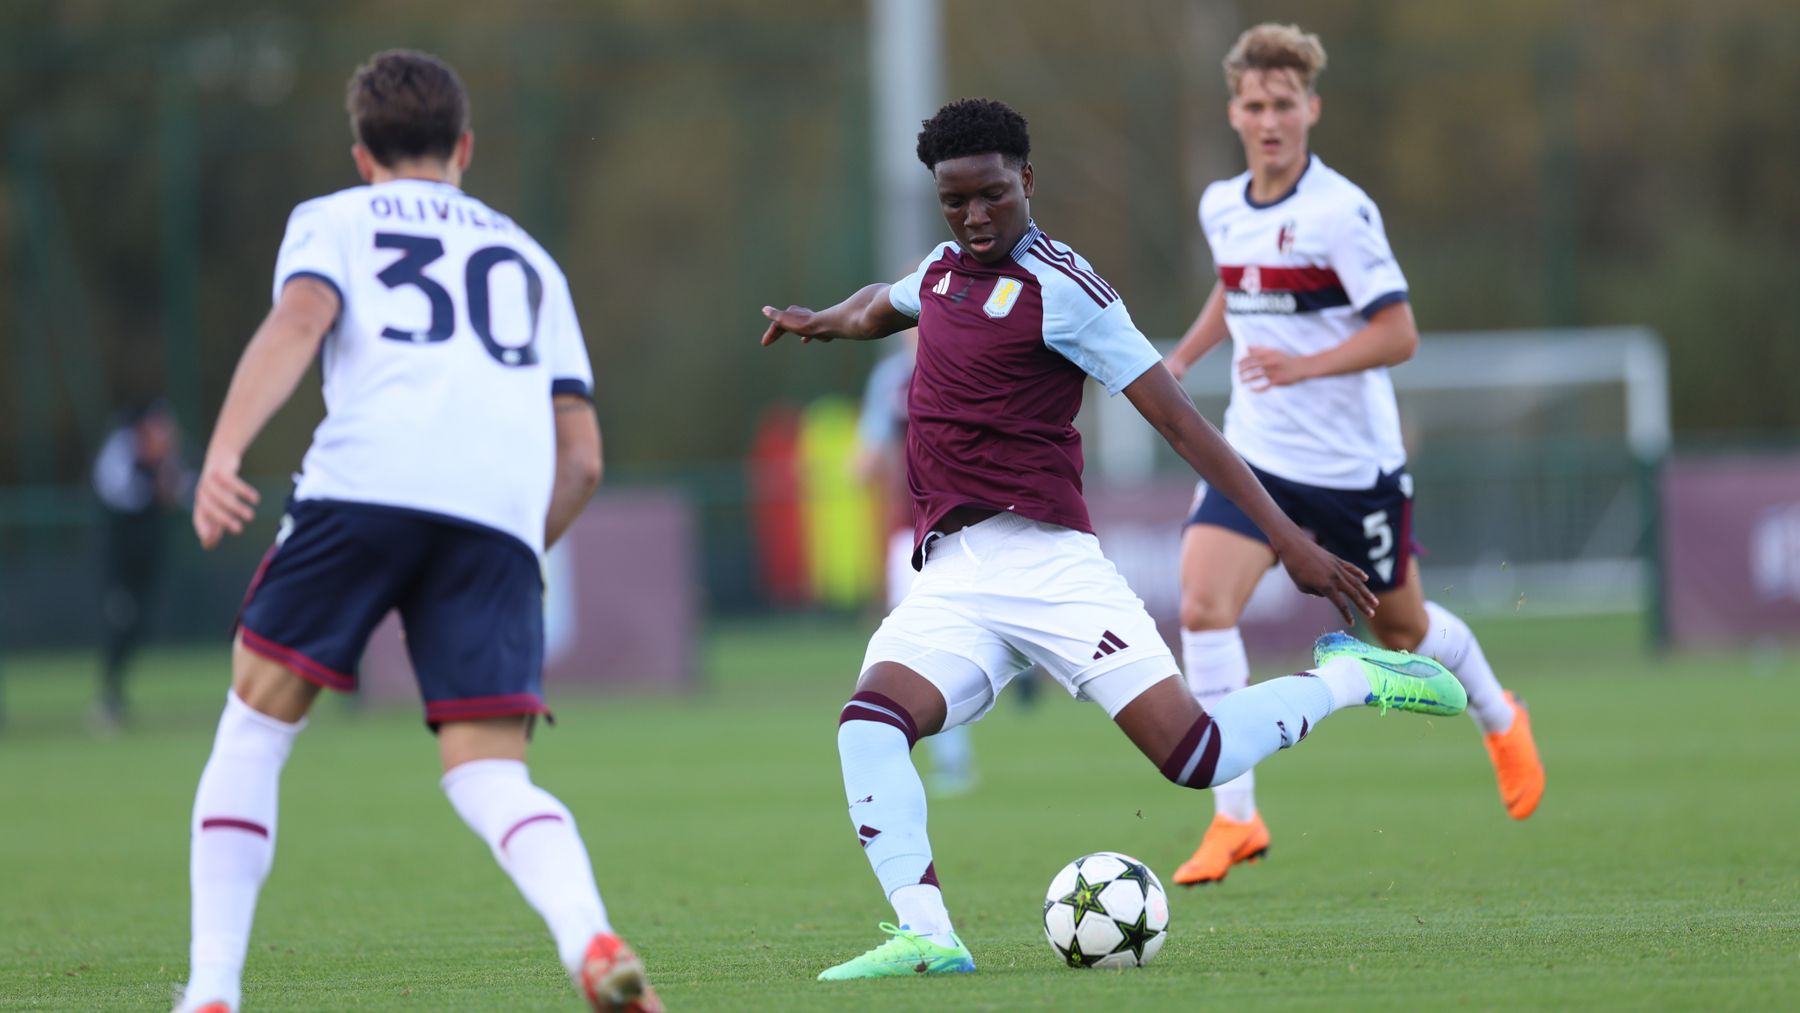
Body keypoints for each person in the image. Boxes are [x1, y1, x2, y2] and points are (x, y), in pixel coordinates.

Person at [760, 97, 1467, 981]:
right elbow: (879, 307)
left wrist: (1285, 536)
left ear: (1026, 178)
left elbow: (1182, 426)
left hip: (1050, 565)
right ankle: (928, 932)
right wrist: (818, 320)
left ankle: (1353, 676)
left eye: (990, 195)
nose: (974, 217)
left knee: (1197, 757)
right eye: (954, 201)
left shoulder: (1069, 291)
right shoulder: (942, 271)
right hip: (953, 574)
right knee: (867, 725)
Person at [177, 51, 657, 1013]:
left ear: (362, 156)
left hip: (363, 484)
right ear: (465, 148)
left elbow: (299, 318)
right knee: (490, 773)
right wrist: (519, 545)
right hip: (493, 517)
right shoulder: (530, 259)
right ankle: (589, 935)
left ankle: (215, 992)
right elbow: (584, 460)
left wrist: (223, 452)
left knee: (255, 724)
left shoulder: (334, 219)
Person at [1162, 23, 1546, 888]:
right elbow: (1236, 282)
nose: (1269, 120)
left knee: (1401, 629)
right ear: (1233, 111)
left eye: (1284, 105)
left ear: (1312, 109)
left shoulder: (1341, 210)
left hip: (1351, 472)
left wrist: (1305, 363)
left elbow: (1399, 332)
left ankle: (1499, 712)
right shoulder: (1221, 204)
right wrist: (1184, 358)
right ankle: (1236, 819)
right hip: (1255, 457)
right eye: (1255, 105)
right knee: (1201, 600)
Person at [91, 399, 188, 730]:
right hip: (120, 564)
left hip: (150, 562)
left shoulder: (165, 462)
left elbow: (183, 489)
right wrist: (153, 484)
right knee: (121, 623)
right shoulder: (121, 455)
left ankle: (114, 696)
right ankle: (108, 697)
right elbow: (120, 494)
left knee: (139, 626)